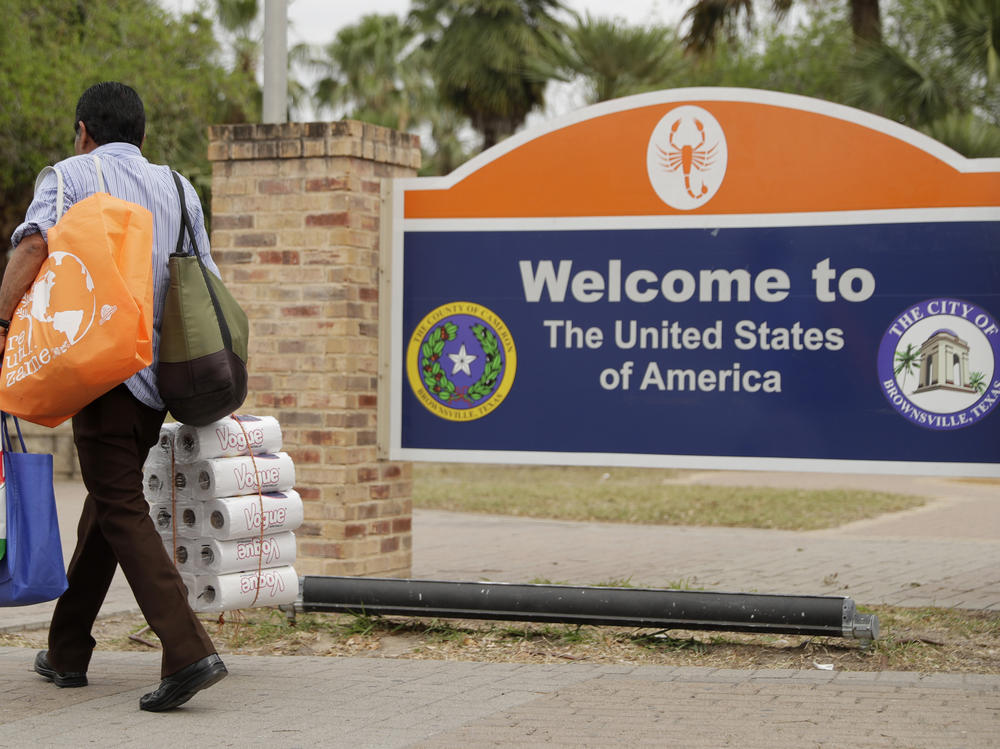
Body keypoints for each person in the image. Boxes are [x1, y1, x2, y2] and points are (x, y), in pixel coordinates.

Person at [1, 82, 227, 711]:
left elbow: (33, 245)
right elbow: (205, 278)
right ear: (143, 136)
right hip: (158, 377)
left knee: (120, 506)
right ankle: (67, 651)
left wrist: (0, 325)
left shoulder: (71, 175)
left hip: (99, 371)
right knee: (106, 504)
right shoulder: (180, 188)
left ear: (83, 131)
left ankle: (188, 650)